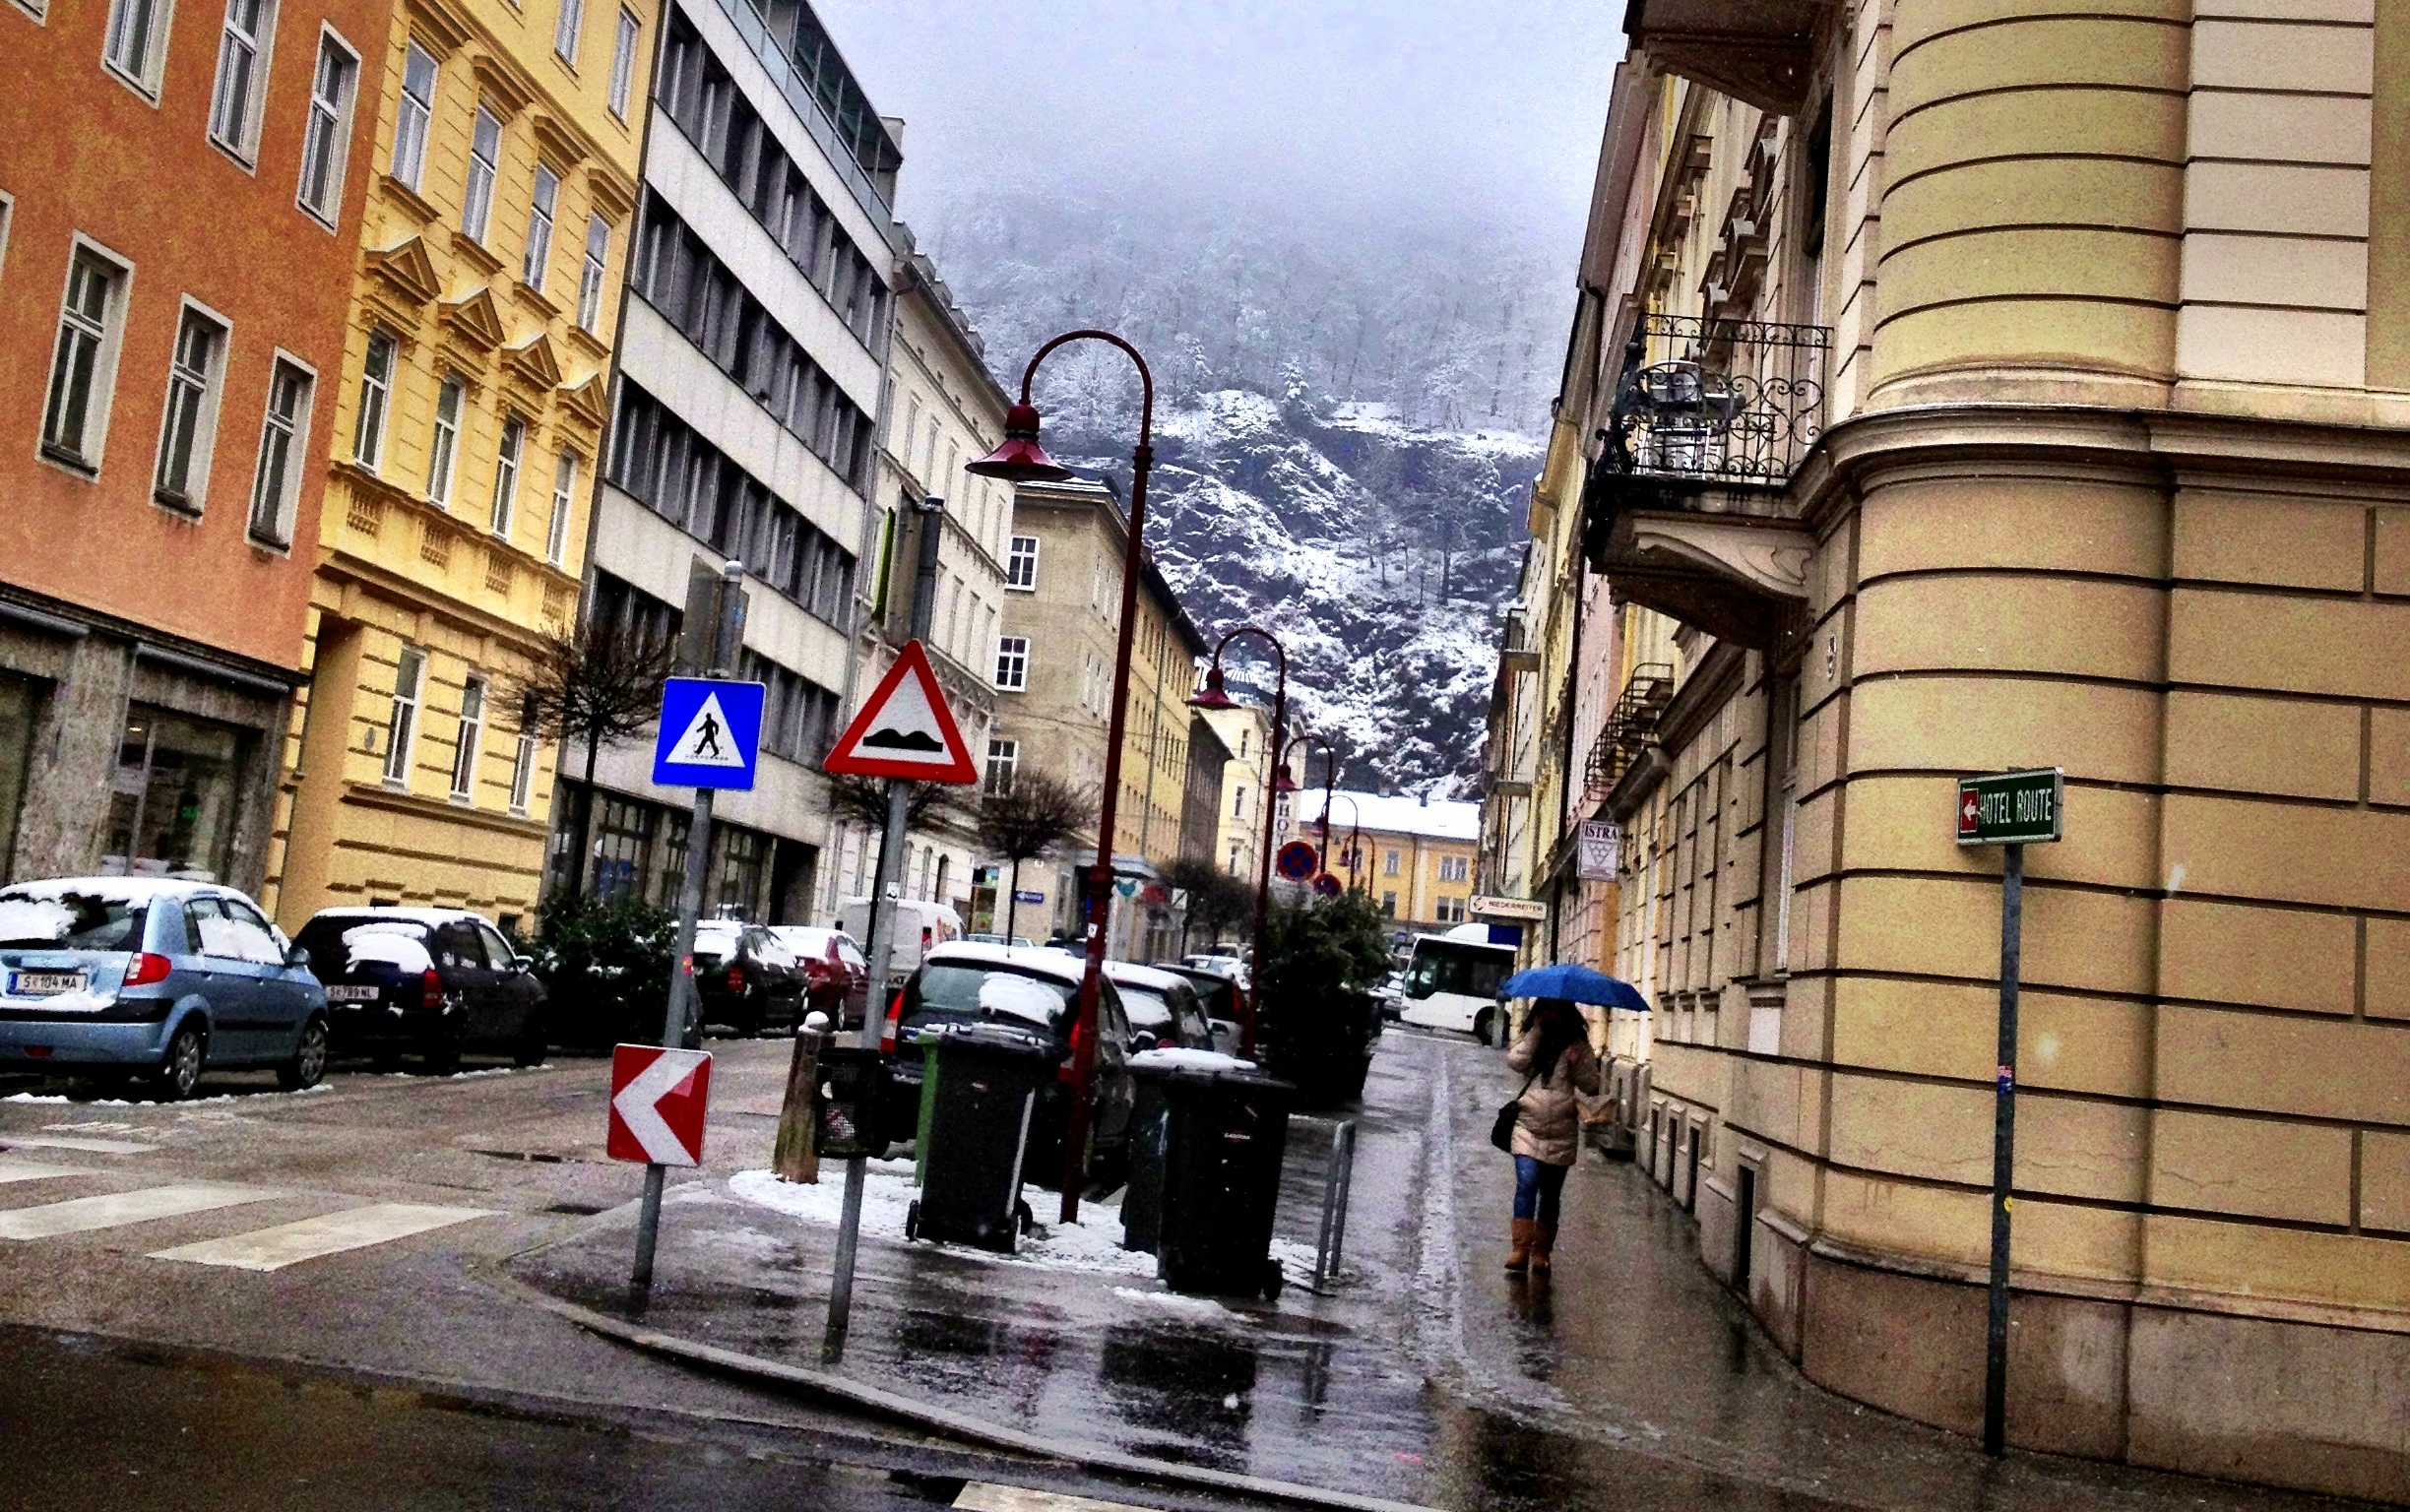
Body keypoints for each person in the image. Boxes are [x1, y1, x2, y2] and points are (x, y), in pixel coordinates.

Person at [1504, 996, 1601, 1274]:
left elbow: (1591, 1085)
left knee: (1550, 1193)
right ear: (1540, 1010)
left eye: (1557, 1009)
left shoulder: (1578, 1044)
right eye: (1547, 1008)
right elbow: (1515, 1061)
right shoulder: (1532, 1036)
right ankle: (1520, 1249)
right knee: (1527, 1182)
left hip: (1561, 1132)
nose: (1552, 1013)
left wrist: (1577, 1063)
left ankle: (1541, 1253)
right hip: (1527, 1126)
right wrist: (1535, 1033)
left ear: (1567, 1011)